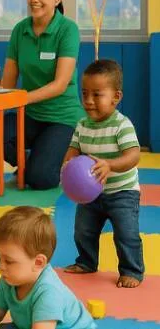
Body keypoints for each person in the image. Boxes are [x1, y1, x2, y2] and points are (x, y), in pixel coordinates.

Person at [0, 0, 85, 190]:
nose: (34, 0)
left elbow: (60, 85)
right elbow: (7, 83)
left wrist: (21, 98)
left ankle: (49, 157)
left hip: (61, 119)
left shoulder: (68, 30)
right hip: (28, 115)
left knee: (41, 180)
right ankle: (36, 158)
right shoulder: (20, 30)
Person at [62, 59, 143, 288]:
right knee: (83, 231)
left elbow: (133, 156)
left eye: (97, 95)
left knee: (126, 235)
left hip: (122, 192)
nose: (88, 101)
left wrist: (110, 165)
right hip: (90, 194)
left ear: (116, 97)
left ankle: (131, 271)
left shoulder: (121, 125)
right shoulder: (82, 124)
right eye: (85, 93)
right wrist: (67, 163)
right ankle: (86, 262)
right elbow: (74, 149)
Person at [0, 206, 95, 329]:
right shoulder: (8, 281)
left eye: (9, 261)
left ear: (38, 263)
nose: (1, 266)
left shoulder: (48, 292)